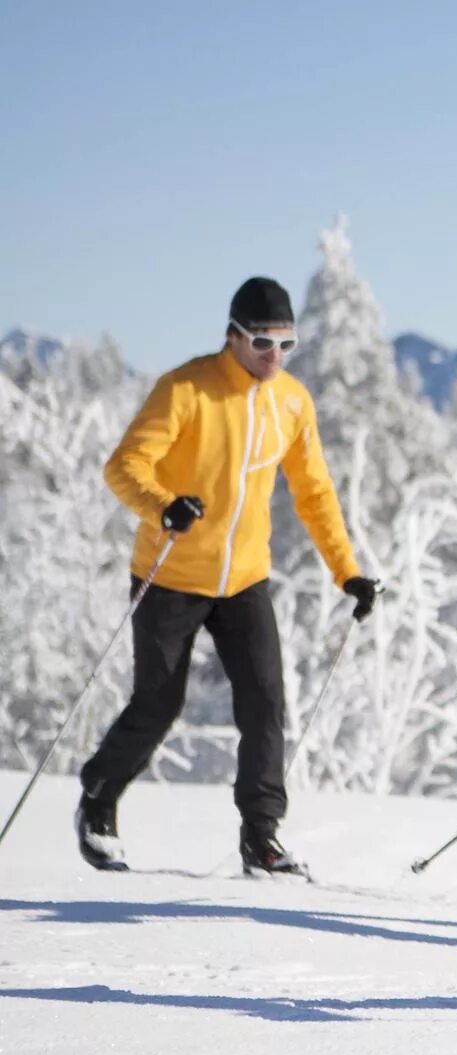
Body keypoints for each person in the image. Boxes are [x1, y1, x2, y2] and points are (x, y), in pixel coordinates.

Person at [74, 277, 383, 877]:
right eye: (264, 343)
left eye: (287, 344)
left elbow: (315, 493)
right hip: (170, 574)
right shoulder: (187, 389)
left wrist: (348, 573)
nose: (275, 357)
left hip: (242, 580)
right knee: (159, 703)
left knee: (265, 703)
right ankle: (99, 798)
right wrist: (163, 505)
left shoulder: (291, 402)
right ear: (234, 336)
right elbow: (124, 465)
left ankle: (261, 838)